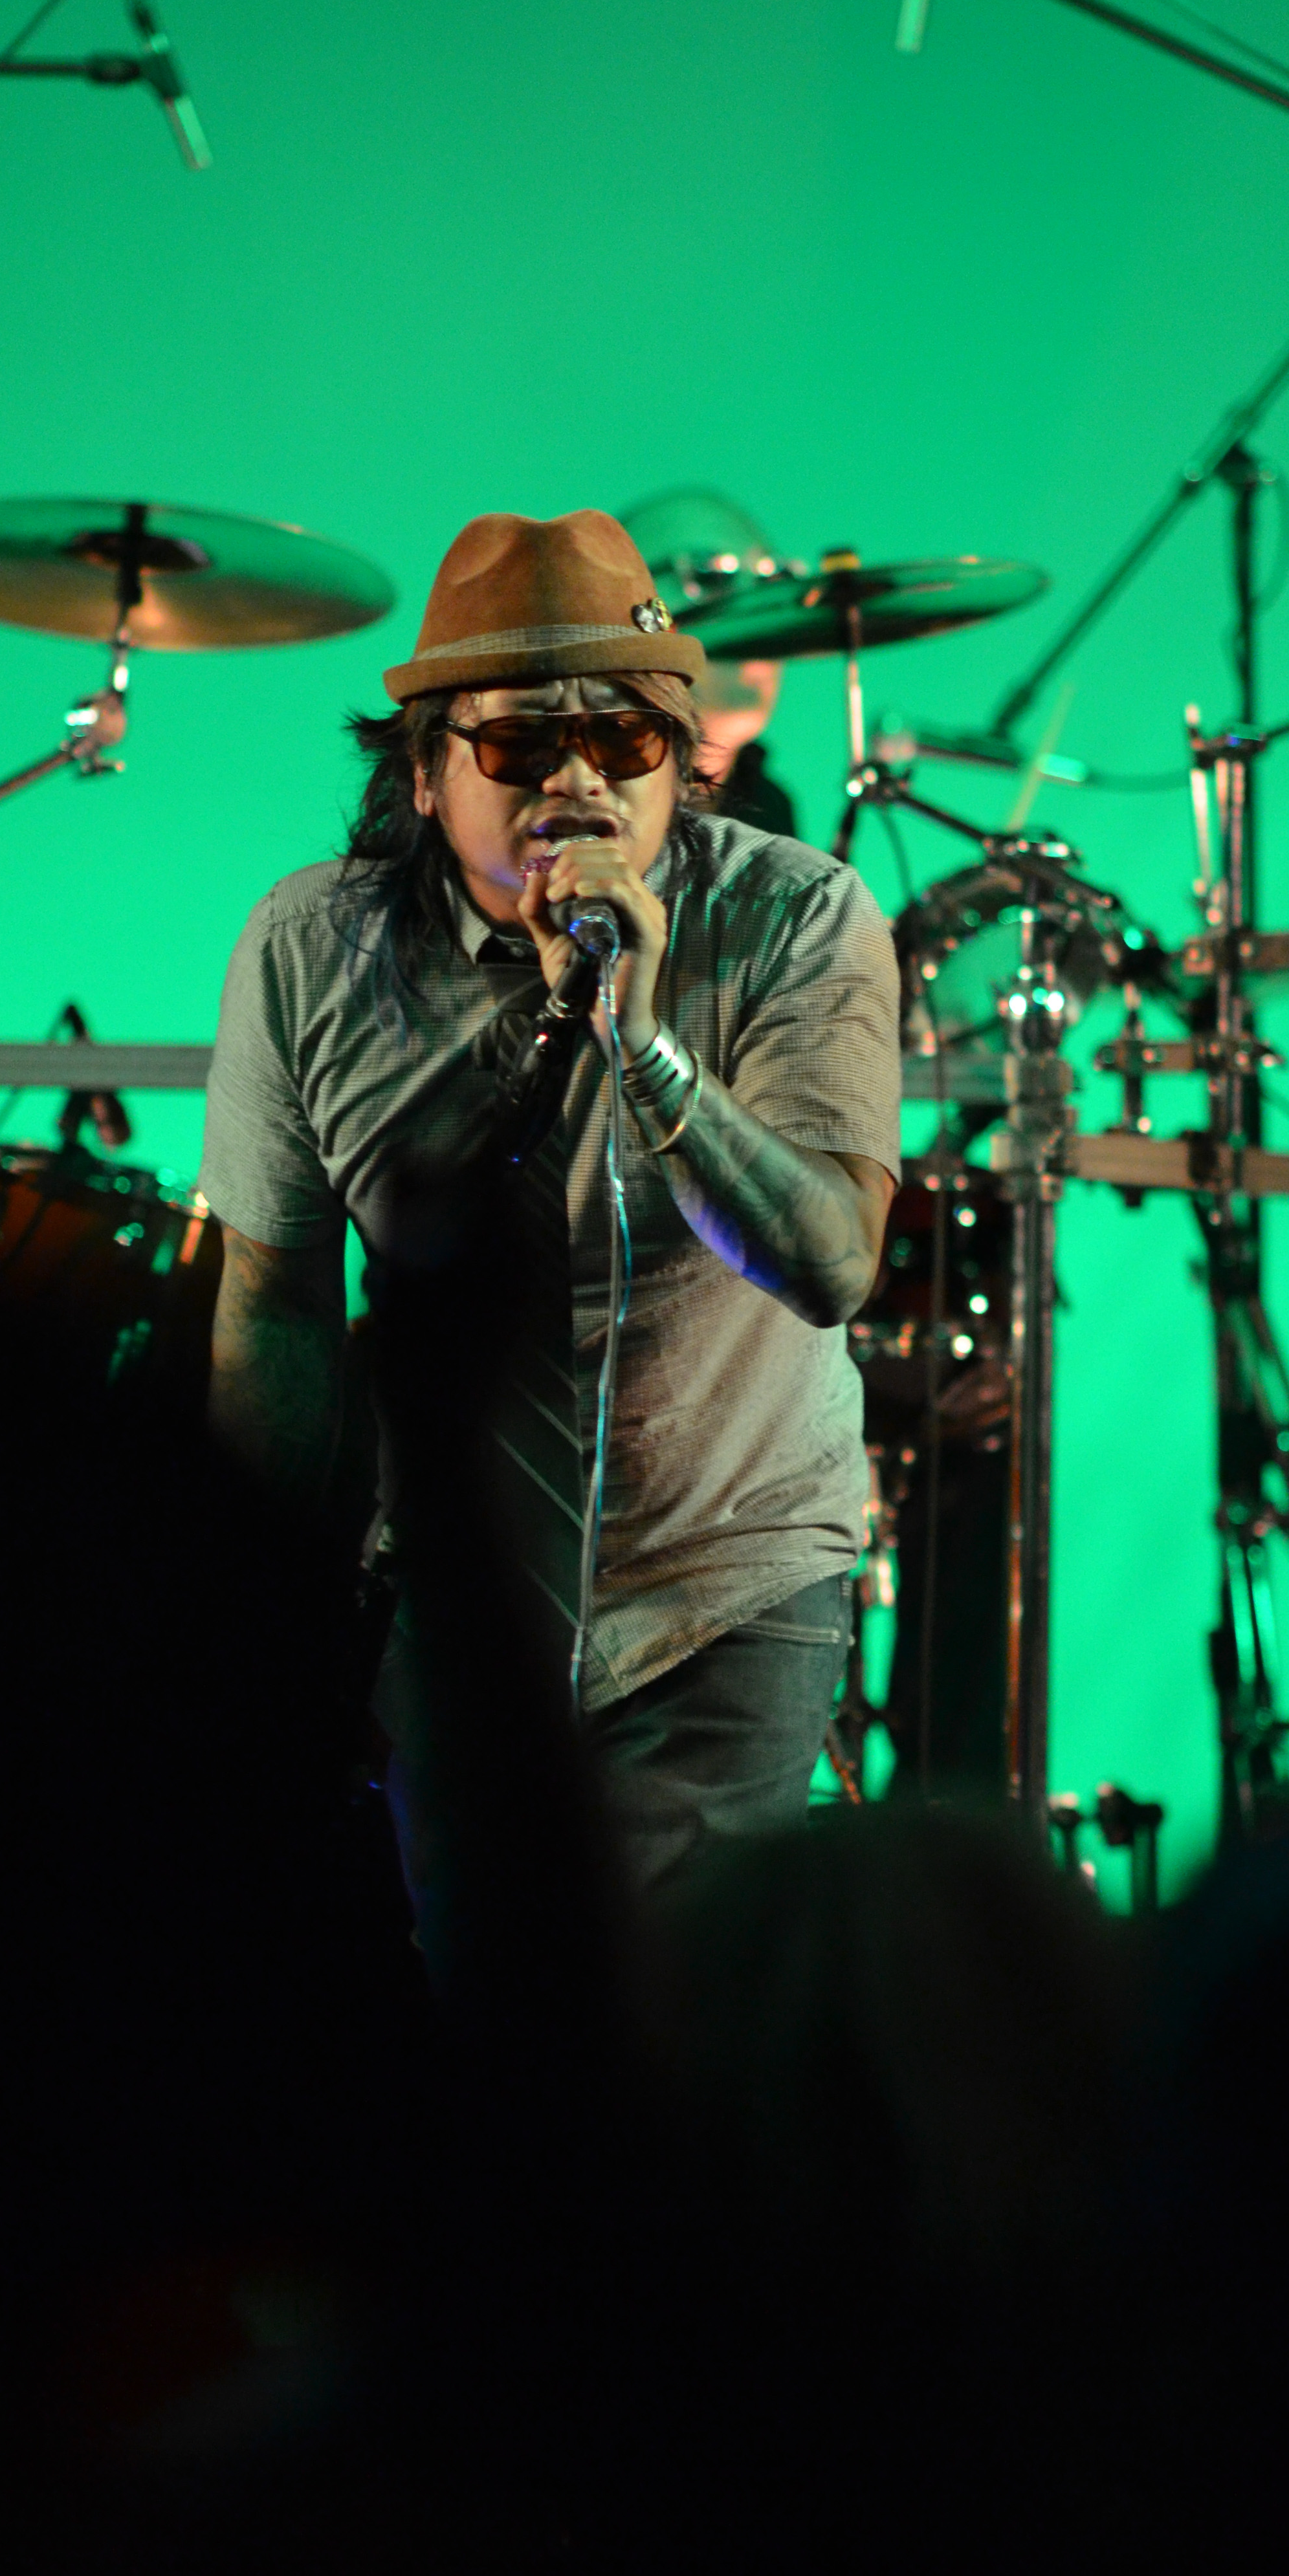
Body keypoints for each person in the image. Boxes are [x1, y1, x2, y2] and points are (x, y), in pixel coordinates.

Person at [202, 508, 900, 1891]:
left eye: (625, 738)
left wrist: (643, 1041)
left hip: (725, 1582)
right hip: (454, 1599)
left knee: (675, 2005)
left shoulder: (795, 916)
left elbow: (828, 1264)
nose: (578, 777)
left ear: (682, 762)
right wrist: (255, 1613)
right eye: (522, 743)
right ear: (423, 773)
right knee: (472, 1999)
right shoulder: (314, 949)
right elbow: (271, 1308)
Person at [617, 484, 800, 836]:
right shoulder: (559, 793)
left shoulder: (770, 807)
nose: (753, 608)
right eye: (710, 576)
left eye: (771, 581)